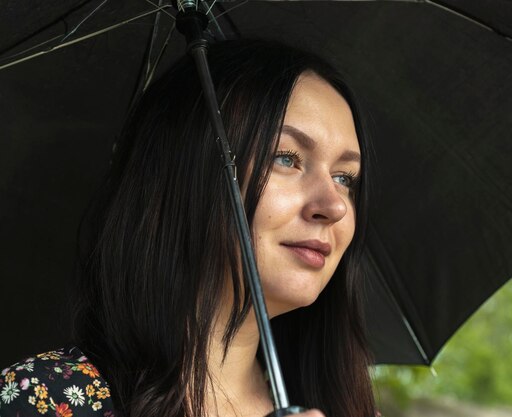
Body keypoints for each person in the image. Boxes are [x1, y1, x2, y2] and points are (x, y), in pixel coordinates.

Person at [0, 39, 376, 417]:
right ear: (187, 173)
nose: (335, 206)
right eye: (286, 158)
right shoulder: (45, 400)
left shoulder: (344, 409)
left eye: (345, 178)